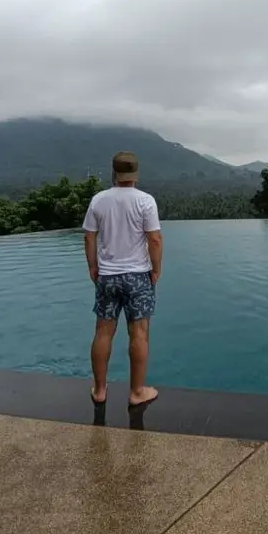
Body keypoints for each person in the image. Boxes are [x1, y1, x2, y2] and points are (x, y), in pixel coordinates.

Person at [82, 151, 163, 409]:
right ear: (135, 174)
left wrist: (93, 266)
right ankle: (137, 391)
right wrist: (156, 269)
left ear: (114, 173)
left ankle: (100, 390)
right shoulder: (146, 201)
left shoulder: (99, 200)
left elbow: (88, 237)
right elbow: (154, 239)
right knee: (138, 333)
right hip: (138, 276)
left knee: (103, 331)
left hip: (108, 276)